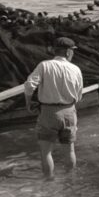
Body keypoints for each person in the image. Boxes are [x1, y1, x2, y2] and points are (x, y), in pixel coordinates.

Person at [24, 37, 83, 178]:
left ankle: (49, 182)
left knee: (46, 152)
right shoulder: (76, 69)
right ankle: (70, 181)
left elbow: (29, 85)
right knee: (69, 151)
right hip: (69, 111)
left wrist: (28, 103)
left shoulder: (44, 65)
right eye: (72, 51)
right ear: (68, 52)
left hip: (48, 112)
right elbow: (79, 95)